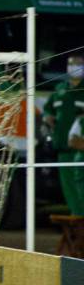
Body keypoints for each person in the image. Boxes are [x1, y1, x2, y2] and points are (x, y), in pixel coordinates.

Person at [45, 54, 84, 215]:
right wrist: (48, 117)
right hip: (62, 148)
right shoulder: (60, 89)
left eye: (78, 64)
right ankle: (77, 225)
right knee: (69, 191)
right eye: (71, 64)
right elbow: (49, 108)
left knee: (80, 188)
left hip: (80, 151)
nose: (74, 67)